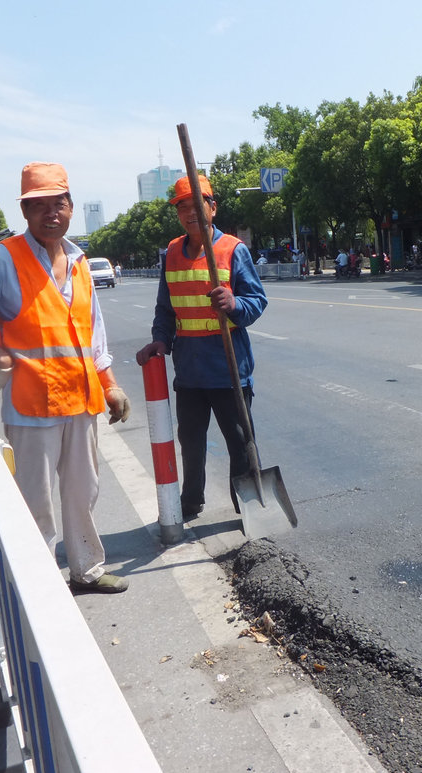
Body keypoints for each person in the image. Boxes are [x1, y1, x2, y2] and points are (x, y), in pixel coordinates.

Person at [0, 162, 132, 594]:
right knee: (35, 501)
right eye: (37, 206)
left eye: (57, 204)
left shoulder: (80, 261)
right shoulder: (1, 260)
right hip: (31, 405)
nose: (50, 214)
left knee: (84, 492)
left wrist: (110, 384)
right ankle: (40, 585)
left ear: (71, 206)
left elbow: (93, 334)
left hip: (80, 402)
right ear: (24, 211)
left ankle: (86, 569)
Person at [135, 174, 267, 521]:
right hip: (190, 374)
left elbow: (257, 301)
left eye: (197, 205)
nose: (190, 213)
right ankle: (191, 501)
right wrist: (160, 340)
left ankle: (249, 511)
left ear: (213, 207)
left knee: (241, 446)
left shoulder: (233, 250)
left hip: (229, 372)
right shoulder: (172, 253)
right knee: (191, 445)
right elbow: (165, 309)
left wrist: (234, 303)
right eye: (183, 207)